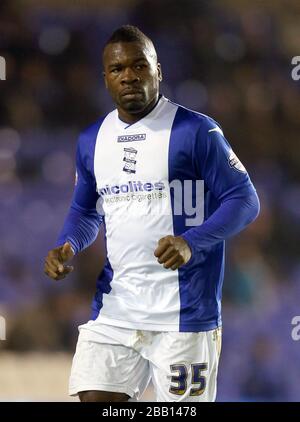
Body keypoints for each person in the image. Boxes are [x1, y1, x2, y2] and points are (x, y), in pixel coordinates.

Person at [44, 25, 260, 402]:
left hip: (185, 315)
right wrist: (67, 245)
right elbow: (85, 209)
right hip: (117, 309)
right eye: (117, 69)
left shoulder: (196, 131)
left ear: (158, 70)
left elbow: (245, 200)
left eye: (139, 66)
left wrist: (191, 242)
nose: (128, 75)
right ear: (106, 78)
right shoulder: (91, 140)